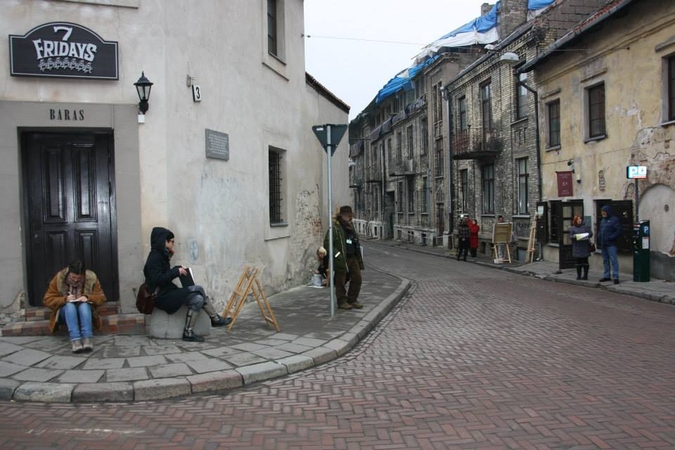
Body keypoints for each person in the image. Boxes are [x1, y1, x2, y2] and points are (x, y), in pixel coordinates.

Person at [143, 227, 231, 342]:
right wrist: (176, 272)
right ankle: (215, 318)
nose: (173, 244)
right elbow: (157, 279)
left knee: (198, 299)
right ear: (164, 241)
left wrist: (175, 266)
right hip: (161, 297)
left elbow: (164, 274)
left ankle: (188, 332)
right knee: (198, 288)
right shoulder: (154, 258)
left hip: (168, 292)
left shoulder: (161, 256)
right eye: (172, 242)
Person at [43, 260, 107, 353]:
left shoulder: (91, 278)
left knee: (84, 305)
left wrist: (88, 297)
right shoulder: (59, 278)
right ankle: (75, 340)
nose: (76, 280)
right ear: (69, 272)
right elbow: (47, 299)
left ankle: (87, 338)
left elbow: (101, 298)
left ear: (83, 275)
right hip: (65, 312)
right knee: (69, 306)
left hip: (85, 311)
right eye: (73, 277)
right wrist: (65, 299)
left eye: (79, 278)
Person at [323, 205, 364, 310]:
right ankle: (342, 302)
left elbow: (354, 240)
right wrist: (338, 255)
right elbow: (327, 244)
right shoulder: (335, 227)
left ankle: (352, 299)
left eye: (349, 216)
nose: (347, 218)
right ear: (341, 216)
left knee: (357, 278)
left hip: (352, 256)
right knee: (340, 281)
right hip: (341, 258)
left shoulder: (350, 226)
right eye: (345, 216)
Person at [597, 205, 622, 284]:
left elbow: (618, 231)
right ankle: (607, 275)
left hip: (611, 244)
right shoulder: (603, 221)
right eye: (602, 212)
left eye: (604, 212)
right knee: (605, 260)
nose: (603, 213)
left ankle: (615, 276)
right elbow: (601, 230)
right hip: (603, 243)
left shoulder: (614, 220)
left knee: (613, 260)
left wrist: (611, 237)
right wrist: (599, 236)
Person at [569, 215, 593, 280]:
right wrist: (574, 236)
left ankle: (585, 275)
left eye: (580, 219)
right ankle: (579, 275)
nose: (579, 220)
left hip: (585, 246)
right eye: (578, 219)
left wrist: (587, 235)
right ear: (575, 220)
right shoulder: (573, 228)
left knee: (585, 261)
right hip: (577, 246)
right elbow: (571, 237)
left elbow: (590, 234)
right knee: (578, 262)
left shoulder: (586, 227)